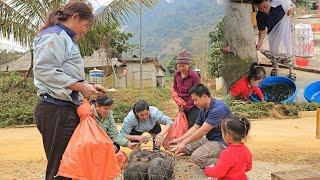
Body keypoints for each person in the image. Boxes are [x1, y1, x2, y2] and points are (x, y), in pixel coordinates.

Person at [33, 2, 103, 179]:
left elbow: (65, 73)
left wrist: (88, 86)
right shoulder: (54, 36)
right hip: (56, 108)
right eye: (86, 25)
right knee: (62, 168)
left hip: (64, 108)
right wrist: (80, 86)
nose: (86, 30)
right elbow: (44, 71)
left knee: (71, 165)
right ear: (75, 17)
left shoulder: (65, 38)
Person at [169, 84, 231, 168]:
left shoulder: (218, 108)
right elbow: (195, 127)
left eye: (195, 100)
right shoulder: (203, 108)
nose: (194, 103)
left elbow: (203, 131)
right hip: (210, 139)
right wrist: (179, 140)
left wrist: (183, 143)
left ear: (204, 96)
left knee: (196, 157)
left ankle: (229, 162)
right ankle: (213, 154)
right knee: (182, 147)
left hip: (222, 142)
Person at [254, 0, 296, 79]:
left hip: (285, 30)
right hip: (272, 32)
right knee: (274, 51)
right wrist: (260, 43)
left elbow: (292, 5)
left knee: (288, 49)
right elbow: (262, 31)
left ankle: (291, 71)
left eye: (265, 6)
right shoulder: (259, 15)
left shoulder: (279, 5)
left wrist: (292, 8)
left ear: (268, 1)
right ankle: (275, 68)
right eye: (260, 8)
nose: (264, 10)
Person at [173, 49, 201, 129]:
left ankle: (192, 141)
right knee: (182, 126)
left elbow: (196, 93)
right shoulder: (176, 75)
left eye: (183, 66)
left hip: (193, 106)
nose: (181, 68)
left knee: (192, 126)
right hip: (181, 105)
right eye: (179, 66)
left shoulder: (194, 76)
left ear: (188, 65)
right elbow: (175, 89)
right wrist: (179, 102)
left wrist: (185, 106)